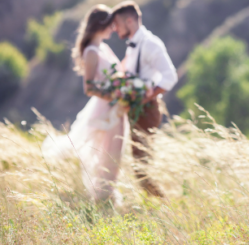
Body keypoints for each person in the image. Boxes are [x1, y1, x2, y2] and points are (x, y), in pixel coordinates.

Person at [41, 4, 128, 204]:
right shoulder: (91, 52)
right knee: (106, 151)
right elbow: (89, 88)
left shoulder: (103, 47)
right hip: (105, 107)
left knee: (115, 150)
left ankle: (106, 195)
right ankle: (102, 196)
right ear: (100, 25)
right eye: (110, 25)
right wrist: (113, 95)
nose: (113, 29)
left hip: (117, 105)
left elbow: (118, 74)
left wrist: (125, 86)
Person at [110, 1, 178, 197]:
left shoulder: (150, 44)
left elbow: (170, 76)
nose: (114, 30)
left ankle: (163, 205)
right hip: (134, 111)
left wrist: (148, 95)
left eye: (117, 24)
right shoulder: (133, 45)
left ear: (129, 21)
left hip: (147, 111)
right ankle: (156, 205)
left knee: (141, 168)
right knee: (139, 164)